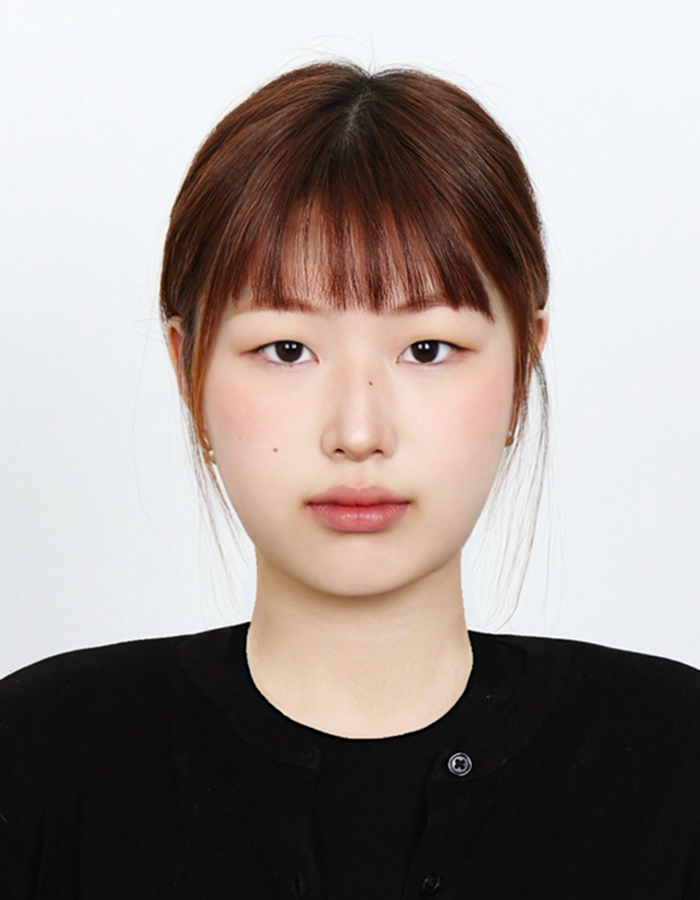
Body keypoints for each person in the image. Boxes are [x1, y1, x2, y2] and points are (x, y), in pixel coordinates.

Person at [1, 60, 699, 898]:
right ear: (188, 369)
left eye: (428, 349)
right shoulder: (39, 757)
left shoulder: (673, 760)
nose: (358, 433)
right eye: (286, 350)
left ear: (523, 370)